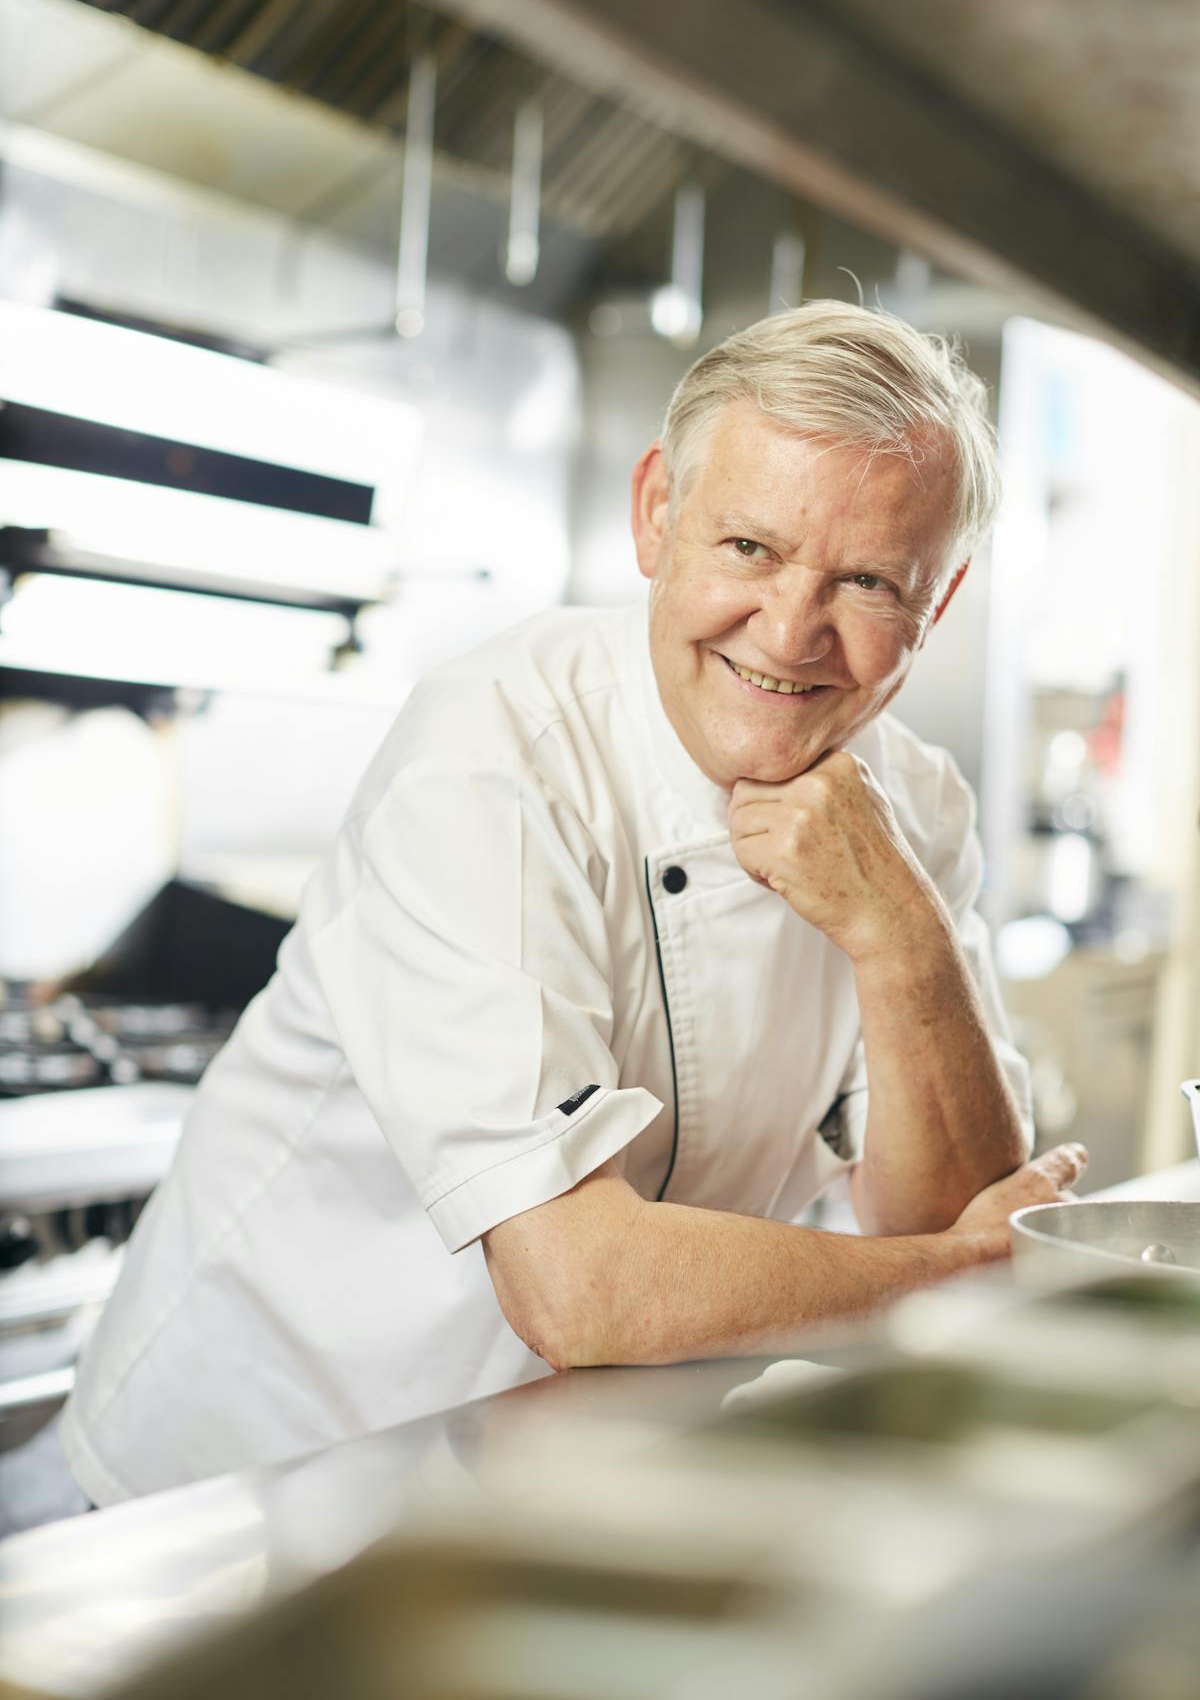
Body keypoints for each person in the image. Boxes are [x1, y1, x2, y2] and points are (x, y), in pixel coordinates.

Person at [62, 301, 1084, 1504]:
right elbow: (579, 1286)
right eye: (749, 549)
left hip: (550, 1477)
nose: (792, 631)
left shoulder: (917, 806)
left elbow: (947, 1209)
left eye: (864, 580)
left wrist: (904, 937)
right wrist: (937, 1277)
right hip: (250, 1478)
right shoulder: (496, 751)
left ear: (939, 601)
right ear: (657, 512)